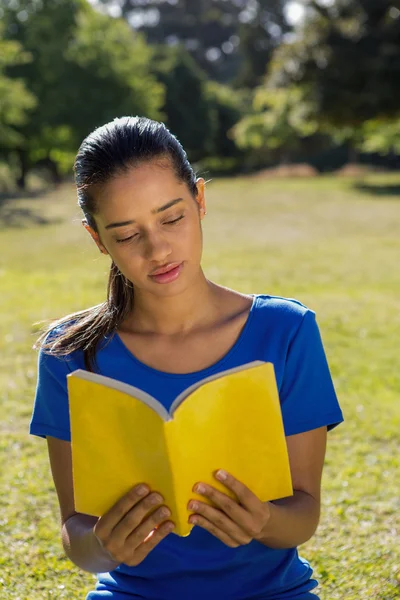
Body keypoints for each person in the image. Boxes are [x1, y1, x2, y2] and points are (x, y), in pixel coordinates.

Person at [30, 115, 344, 600]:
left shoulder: (285, 331)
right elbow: (78, 536)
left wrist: (263, 520)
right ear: (98, 240)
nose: (158, 249)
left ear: (199, 200)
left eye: (171, 217)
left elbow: (303, 518)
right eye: (127, 234)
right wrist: (105, 545)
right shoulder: (71, 353)